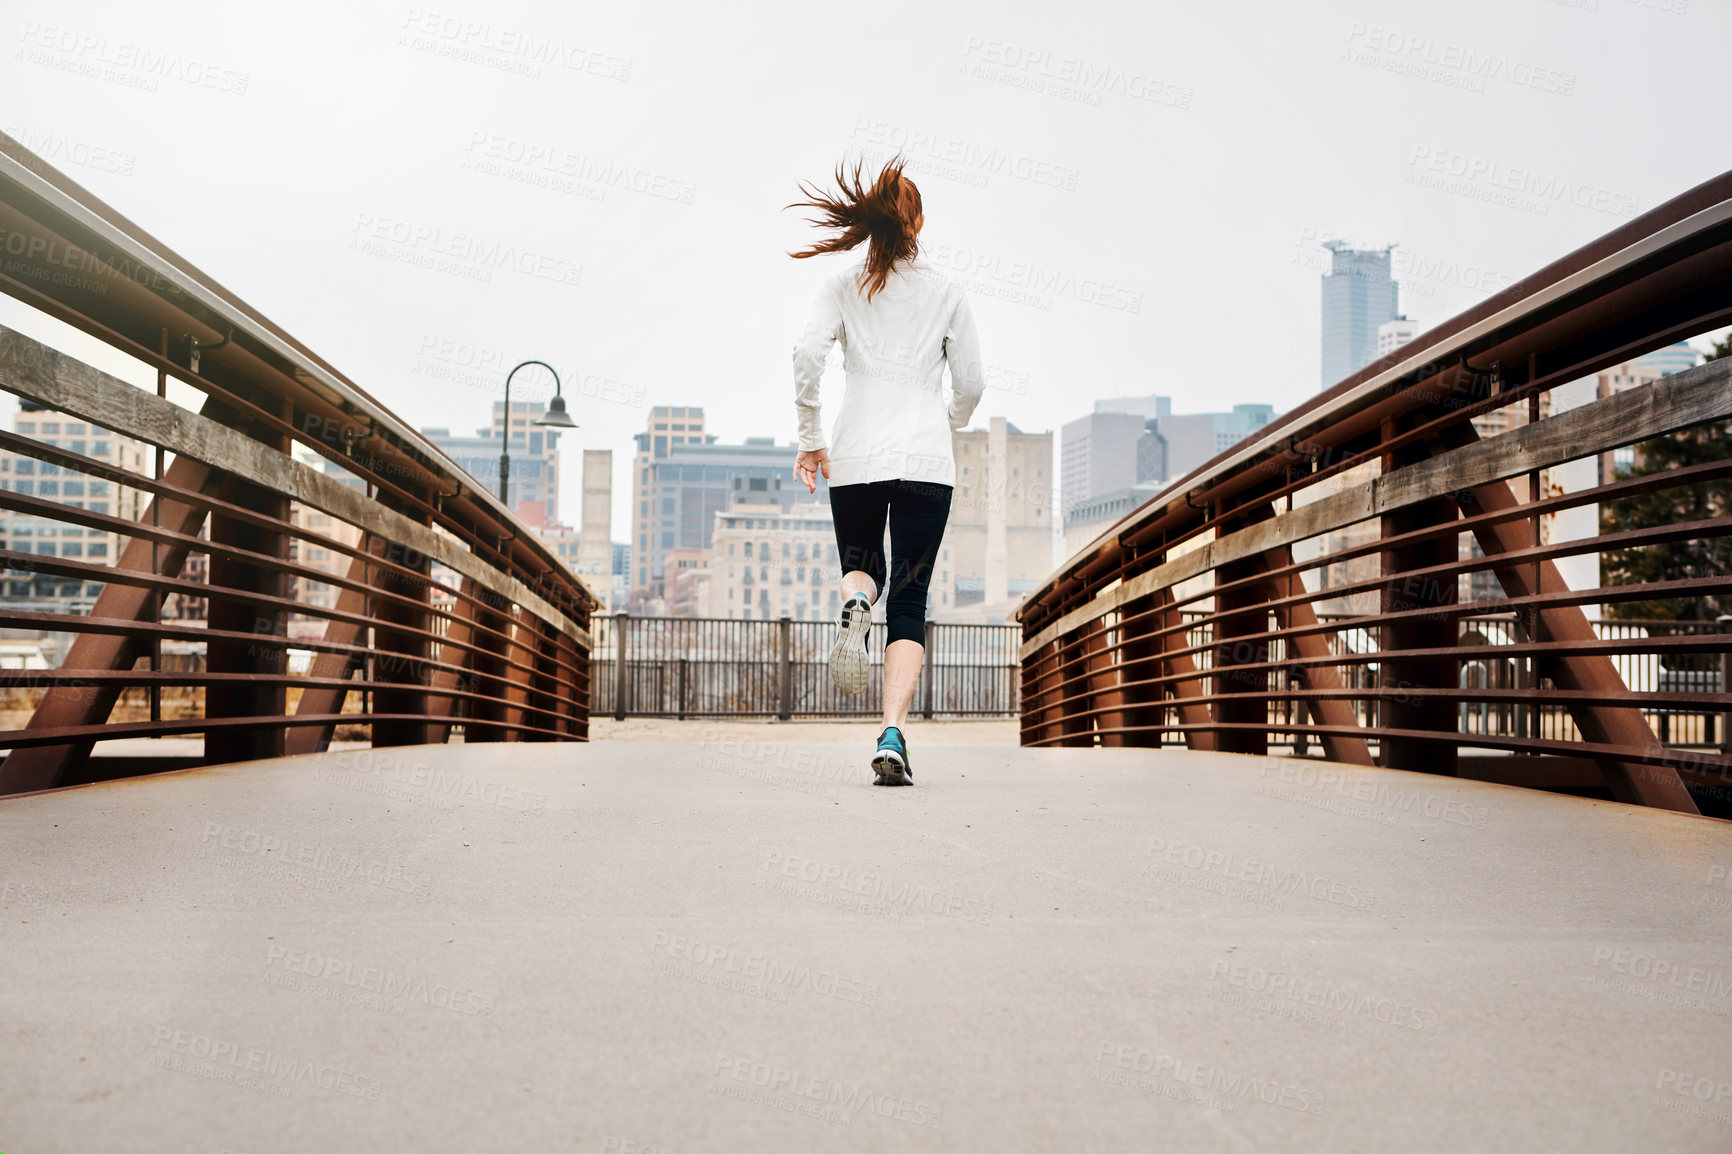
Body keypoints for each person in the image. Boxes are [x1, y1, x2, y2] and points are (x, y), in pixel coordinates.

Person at [786, 156, 985, 787]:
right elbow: (973, 385)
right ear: (919, 221)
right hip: (927, 462)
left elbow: (806, 355)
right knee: (910, 598)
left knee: (862, 566)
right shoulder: (948, 292)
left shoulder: (841, 286)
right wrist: (944, 421)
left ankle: (852, 603)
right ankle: (892, 733)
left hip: (857, 457)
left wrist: (811, 438)